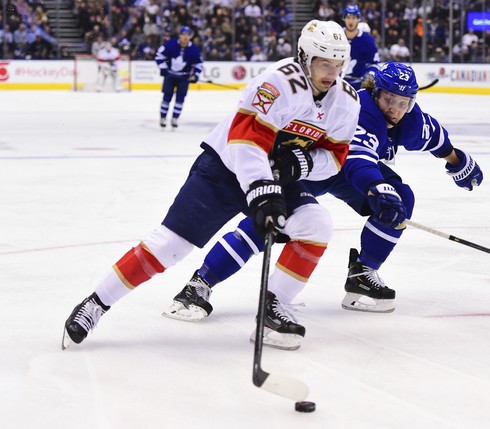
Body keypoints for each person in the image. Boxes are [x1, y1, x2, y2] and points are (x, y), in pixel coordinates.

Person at [62, 19, 358, 352]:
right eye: (323, 63)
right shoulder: (277, 83)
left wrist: (299, 164)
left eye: (337, 64)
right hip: (224, 169)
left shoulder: (346, 101)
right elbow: (245, 141)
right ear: (305, 57)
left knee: (316, 224)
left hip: (276, 177)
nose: (331, 72)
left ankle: (273, 308)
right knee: (168, 247)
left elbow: (335, 156)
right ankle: (96, 303)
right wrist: (262, 189)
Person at [163, 62, 483, 323]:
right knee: (272, 218)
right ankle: (201, 281)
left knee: (402, 197)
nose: (395, 109)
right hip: (317, 164)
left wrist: (457, 162)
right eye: (388, 100)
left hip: (349, 170)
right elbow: (356, 159)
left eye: (403, 103)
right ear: (375, 92)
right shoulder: (362, 111)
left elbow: (436, 139)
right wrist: (377, 187)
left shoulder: (410, 121)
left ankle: (363, 273)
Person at [155, 26, 204, 129]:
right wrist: (163, 68)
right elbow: (159, 55)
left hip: (184, 78)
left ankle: (175, 118)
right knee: (166, 98)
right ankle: (163, 118)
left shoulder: (194, 49)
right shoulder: (170, 44)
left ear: (190, 36)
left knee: (180, 99)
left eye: (187, 35)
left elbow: (198, 64)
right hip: (170, 75)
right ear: (179, 35)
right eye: (183, 34)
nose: (185, 37)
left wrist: (195, 75)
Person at [341, 4, 380, 90]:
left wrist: (370, 74)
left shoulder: (367, 40)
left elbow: (374, 64)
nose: (351, 21)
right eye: (348, 17)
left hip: (357, 86)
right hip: (336, 84)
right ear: (344, 18)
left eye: (354, 17)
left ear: (358, 19)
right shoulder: (336, 35)